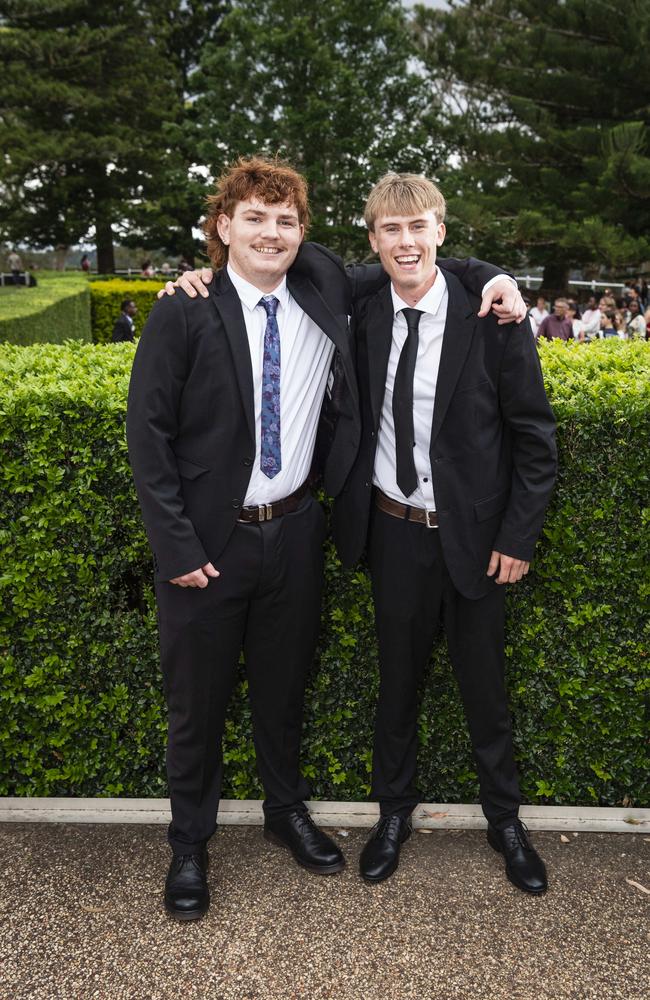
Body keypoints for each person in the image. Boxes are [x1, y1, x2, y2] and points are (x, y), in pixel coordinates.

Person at [136, 156, 524, 920]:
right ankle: (189, 846)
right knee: (196, 707)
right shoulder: (184, 309)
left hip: (295, 535)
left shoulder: (323, 287)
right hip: (207, 549)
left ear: (303, 233)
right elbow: (147, 440)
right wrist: (176, 549)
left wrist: (495, 274)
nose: (270, 232)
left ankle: (286, 816)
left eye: (285, 220)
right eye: (254, 217)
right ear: (224, 227)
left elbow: (414, 251)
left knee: (283, 696)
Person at [331, 173, 556, 894]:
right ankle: (392, 815)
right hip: (393, 534)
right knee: (395, 688)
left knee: (485, 692)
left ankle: (505, 823)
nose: (406, 242)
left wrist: (518, 538)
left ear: (441, 232)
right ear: (373, 241)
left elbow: (534, 438)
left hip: (479, 541)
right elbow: (296, 261)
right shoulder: (362, 311)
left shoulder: (493, 319)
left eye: (419, 226)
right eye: (391, 230)